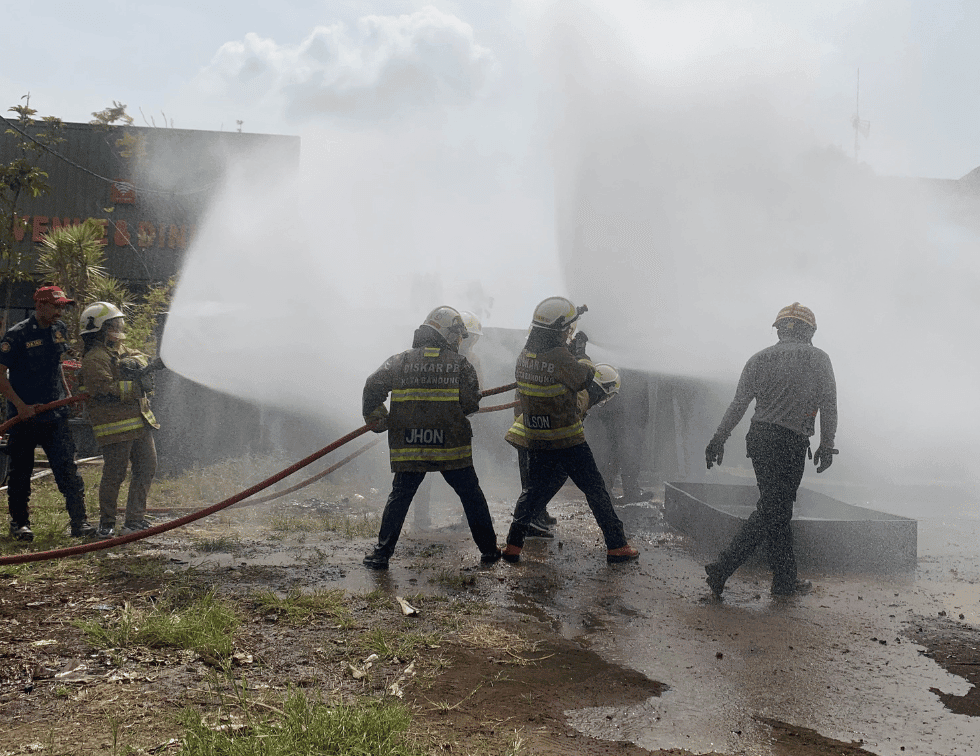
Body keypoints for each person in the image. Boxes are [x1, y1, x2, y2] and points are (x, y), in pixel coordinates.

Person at [703, 302, 838, 597]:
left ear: (779, 330)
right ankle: (723, 567)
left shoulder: (758, 359)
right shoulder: (819, 359)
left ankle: (785, 581)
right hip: (790, 442)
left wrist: (718, 439)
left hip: (760, 439)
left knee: (776, 509)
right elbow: (828, 405)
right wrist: (826, 445)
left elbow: (739, 404)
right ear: (809, 332)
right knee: (773, 509)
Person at [501, 297, 639, 564]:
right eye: (568, 330)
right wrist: (581, 354)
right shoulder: (560, 356)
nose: (569, 334)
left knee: (532, 492)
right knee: (596, 489)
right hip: (566, 438)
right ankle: (617, 545)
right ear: (557, 329)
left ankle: (513, 545)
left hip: (537, 436)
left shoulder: (525, 356)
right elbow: (585, 378)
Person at [361, 306, 501, 569]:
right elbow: (471, 405)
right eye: (457, 334)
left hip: (411, 446)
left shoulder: (399, 361)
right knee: (471, 496)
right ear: (447, 334)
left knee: (400, 496)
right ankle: (490, 551)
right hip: (451, 449)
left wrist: (377, 418)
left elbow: (372, 385)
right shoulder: (461, 364)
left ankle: (381, 555)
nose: (459, 340)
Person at [0, 284, 93, 540]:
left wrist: (66, 395)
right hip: (24, 418)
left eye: (62, 306)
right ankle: (20, 524)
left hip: (54, 417)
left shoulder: (58, 330)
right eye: (56, 306)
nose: (60, 312)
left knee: (67, 470)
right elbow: (0, 376)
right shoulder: (16, 336)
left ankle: (79, 522)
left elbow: (58, 365)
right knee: (20, 472)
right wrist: (20, 406)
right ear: (40, 305)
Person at [507, 361, 622, 539]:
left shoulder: (580, 390)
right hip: (532, 436)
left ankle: (532, 518)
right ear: (604, 390)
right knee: (544, 480)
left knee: (544, 479)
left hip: (530, 433)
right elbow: (567, 420)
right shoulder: (583, 396)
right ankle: (527, 521)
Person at [79, 302, 163, 538]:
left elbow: (139, 358)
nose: (119, 328)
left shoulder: (121, 351)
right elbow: (102, 388)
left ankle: (134, 520)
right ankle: (107, 522)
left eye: (119, 324)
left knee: (146, 468)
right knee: (115, 474)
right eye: (114, 325)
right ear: (100, 329)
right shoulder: (95, 358)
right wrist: (135, 385)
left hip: (140, 422)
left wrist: (140, 364)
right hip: (114, 426)